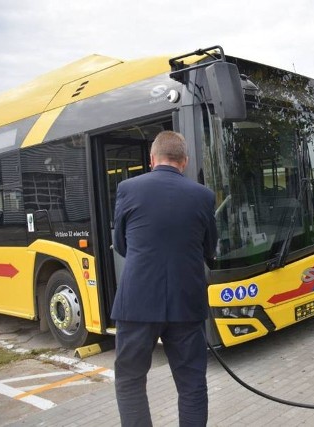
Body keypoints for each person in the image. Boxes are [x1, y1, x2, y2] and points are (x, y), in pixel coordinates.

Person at [111, 130, 217, 427]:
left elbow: (121, 244)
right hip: (186, 302)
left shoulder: (128, 188)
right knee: (192, 384)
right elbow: (210, 249)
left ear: (152, 159)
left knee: (130, 380)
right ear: (184, 161)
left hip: (137, 304)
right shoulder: (203, 195)